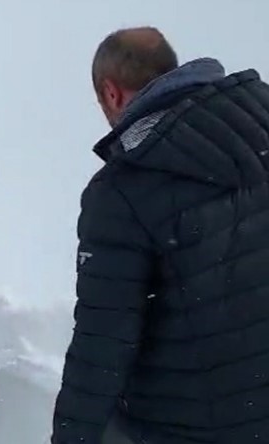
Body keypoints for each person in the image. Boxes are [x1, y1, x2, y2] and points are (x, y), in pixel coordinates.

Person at [52, 27, 269, 444]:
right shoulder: (260, 122)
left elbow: (102, 345)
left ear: (111, 93)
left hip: (201, 422)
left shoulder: (123, 190)